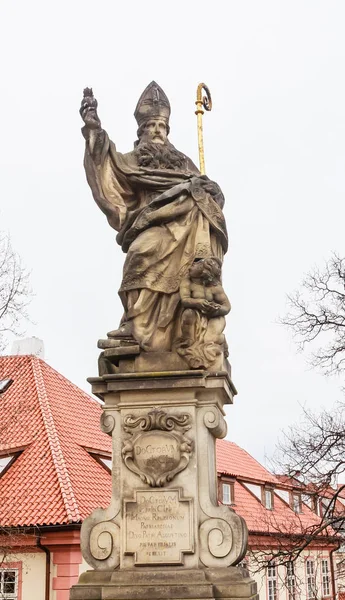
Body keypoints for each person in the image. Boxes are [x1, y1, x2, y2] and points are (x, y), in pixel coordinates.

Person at [80, 82, 228, 355]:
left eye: (162, 125)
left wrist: (210, 191)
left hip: (185, 227)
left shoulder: (182, 162)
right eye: (153, 126)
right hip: (149, 223)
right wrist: (94, 130)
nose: (158, 130)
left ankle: (168, 335)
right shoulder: (134, 161)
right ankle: (134, 327)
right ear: (142, 130)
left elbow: (208, 195)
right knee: (139, 253)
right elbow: (106, 164)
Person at [177, 257, 230, 368]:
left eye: (195, 265)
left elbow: (227, 307)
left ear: (203, 270)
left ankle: (221, 339)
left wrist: (216, 309)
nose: (190, 267)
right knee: (188, 313)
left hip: (214, 318)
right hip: (195, 315)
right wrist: (198, 302)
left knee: (209, 340)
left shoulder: (215, 288)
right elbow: (185, 300)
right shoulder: (187, 282)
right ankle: (187, 342)